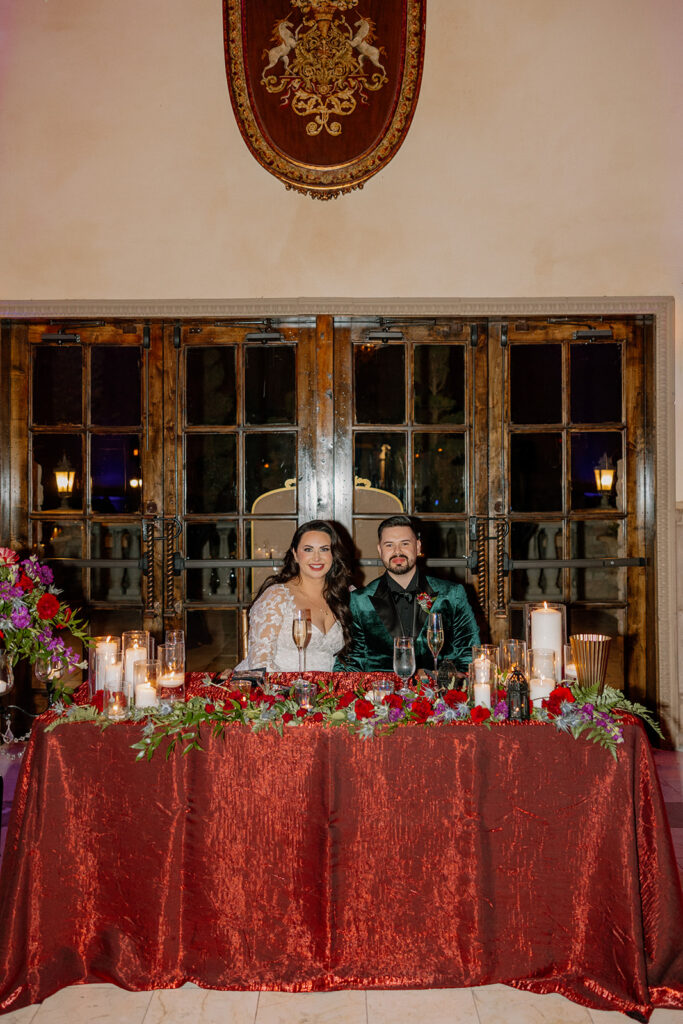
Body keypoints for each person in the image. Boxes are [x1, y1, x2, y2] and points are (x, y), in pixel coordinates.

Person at [334, 514, 479, 673]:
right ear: (380, 549)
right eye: (389, 545)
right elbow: (351, 660)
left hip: (439, 694)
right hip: (380, 694)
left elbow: (470, 654)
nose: (397, 552)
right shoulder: (359, 601)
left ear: (417, 547)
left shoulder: (452, 595)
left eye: (405, 543)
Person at [235, 520, 353, 672]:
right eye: (308, 549)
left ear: (333, 555)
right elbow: (260, 664)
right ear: (295, 555)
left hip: (327, 690)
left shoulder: (345, 595)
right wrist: (289, 693)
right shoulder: (276, 596)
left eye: (324, 549)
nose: (316, 558)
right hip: (275, 689)